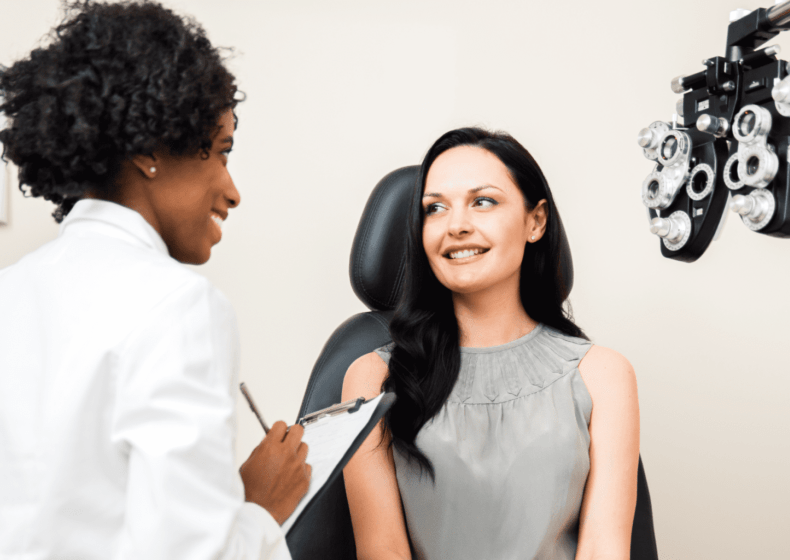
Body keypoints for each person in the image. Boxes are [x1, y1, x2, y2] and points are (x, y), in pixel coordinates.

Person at [0, 2, 309, 559]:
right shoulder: (177, 305)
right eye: (220, 151)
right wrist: (260, 509)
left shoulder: (10, 293)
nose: (232, 189)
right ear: (148, 153)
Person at [342, 127, 640, 560]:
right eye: (435, 208)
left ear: (535, 221)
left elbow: (602, 550)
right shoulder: (371, 379)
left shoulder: (604, 376)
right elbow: (382, 551)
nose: (457, 225)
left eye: (483, 201)